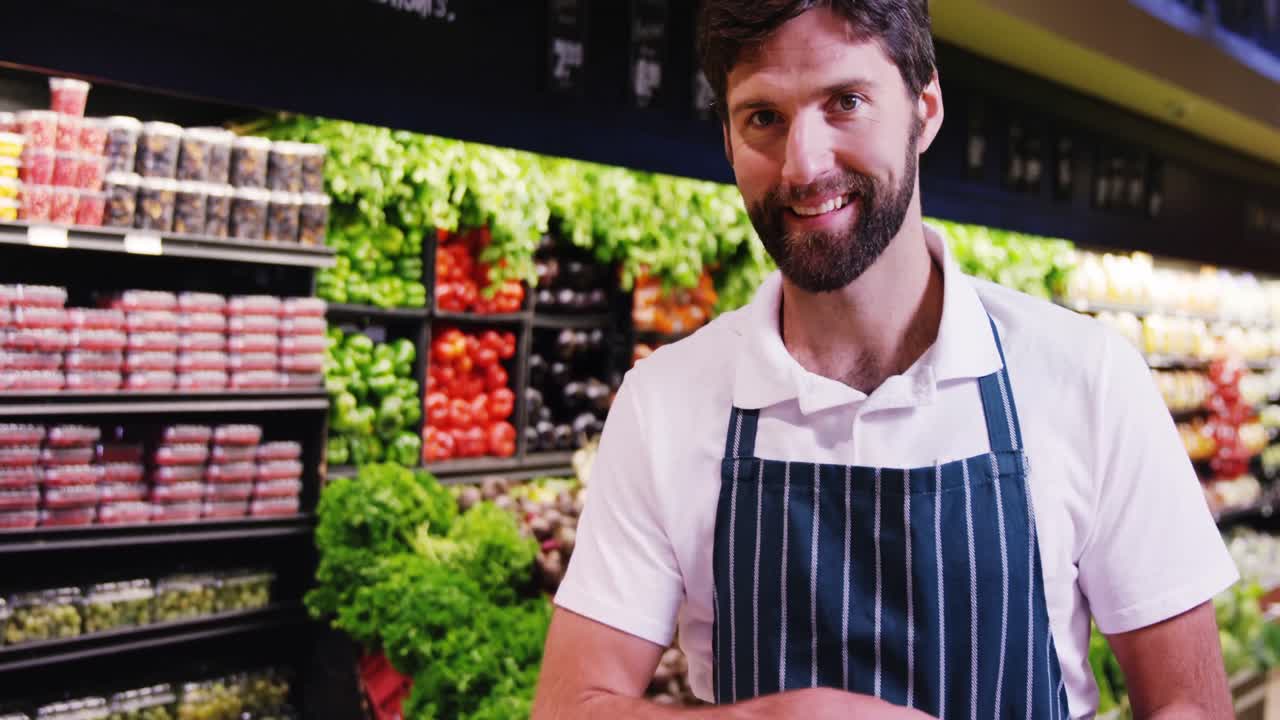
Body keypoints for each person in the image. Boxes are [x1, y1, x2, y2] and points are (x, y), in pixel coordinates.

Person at [531, 2, 1238, 718]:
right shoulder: (664, 401)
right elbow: (567, 706)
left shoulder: (1088, 376)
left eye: (846, 102)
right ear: (727, 137)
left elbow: (1192, 706)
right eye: (762, 118)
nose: (804, 165)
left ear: (924, 109)